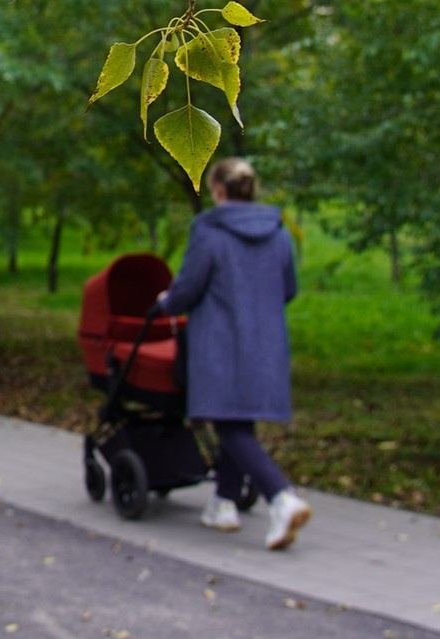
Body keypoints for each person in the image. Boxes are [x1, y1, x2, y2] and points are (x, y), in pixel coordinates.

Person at [156, 157, 311, 550]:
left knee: (226, 423)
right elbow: (288, 288)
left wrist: (167, 302)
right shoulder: (278, 233)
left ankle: (281, 497)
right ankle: (224, 503)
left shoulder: (209, 231)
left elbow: (189, 287)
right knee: (239, 420)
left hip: (221, 341)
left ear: (219, 191)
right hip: (265, 341)